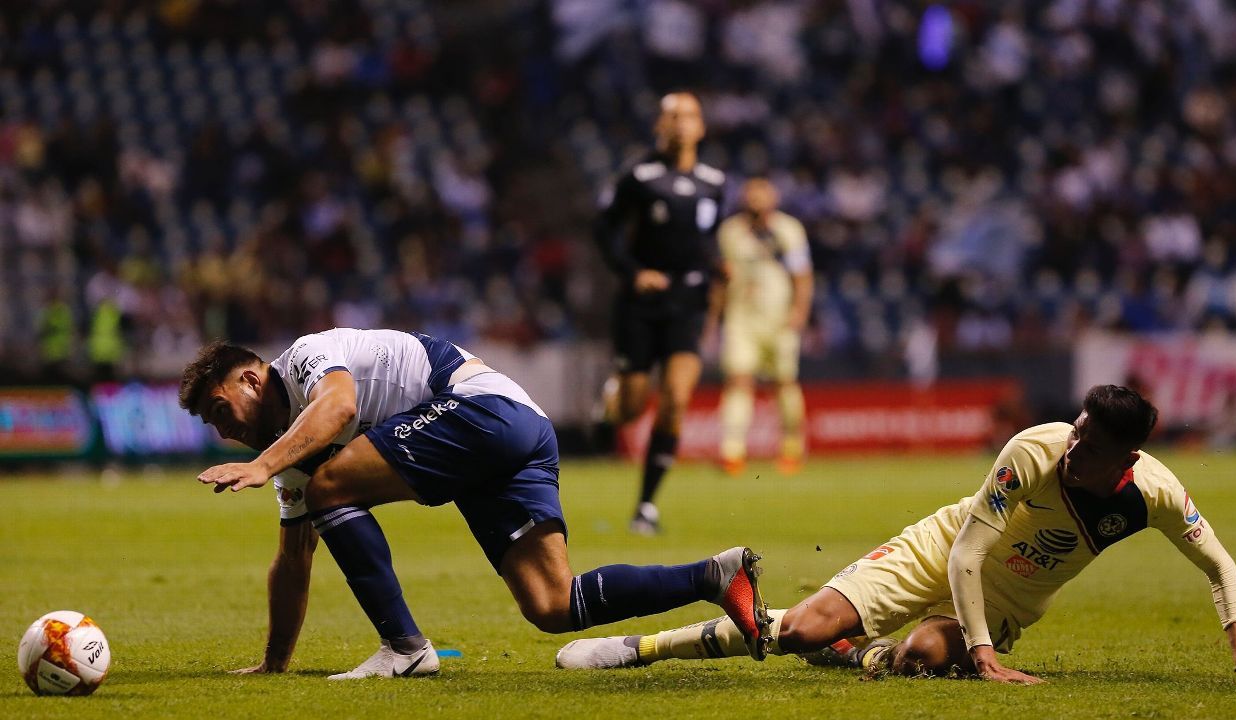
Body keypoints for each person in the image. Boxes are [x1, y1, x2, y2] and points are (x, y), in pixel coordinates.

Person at [556, 385, 1236, 683]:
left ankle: (872, 651)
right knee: (806, 630)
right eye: (1076, 429)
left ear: (1125, 459)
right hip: (939, 548)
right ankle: (644, 647)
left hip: (1004, 601)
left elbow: (1219, 561)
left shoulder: (1154, 492)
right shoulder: (1035, 449)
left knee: (916, 659)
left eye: (1090, 444)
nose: (1073, 447)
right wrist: (986, 660)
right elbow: (968, 551)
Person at [179, 328, 769, 679]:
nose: (224, 432)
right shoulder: (294, 457)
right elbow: (294, 560)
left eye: (220, 410)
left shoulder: (309, 357)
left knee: (332, 485)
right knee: (551, 604)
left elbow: (335, 409)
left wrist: (262, 465)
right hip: (520, 430)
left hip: (482, 408)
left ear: (252, 382)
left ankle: (406, 650)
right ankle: (717, 577)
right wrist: (275, 664)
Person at [595, 91, 726, 535]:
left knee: (675, 401)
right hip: (641, 304)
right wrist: (633, 272)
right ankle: (615, 398)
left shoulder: (714, 180)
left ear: (701, 126)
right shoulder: (639, 175)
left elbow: (705, 238)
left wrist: (716, 268)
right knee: (632, 408)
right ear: (659, 126)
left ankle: (646, 505)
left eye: (688, 115)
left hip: (688, 303)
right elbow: (606, 232)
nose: (680, 123)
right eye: (672, 116)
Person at [714, 178, 813, 476]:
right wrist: (713, 317)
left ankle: (791, 447)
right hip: (741, 317)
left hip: (779, 318)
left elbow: (802, 275)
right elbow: (722, 277)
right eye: (751, 194)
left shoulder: (788, 230)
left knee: (784, 382)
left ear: (774, 198)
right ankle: (732, 452)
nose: (756, 200)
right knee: (738, 380)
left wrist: (799, 311)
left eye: (762, 194)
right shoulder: (730, 232)